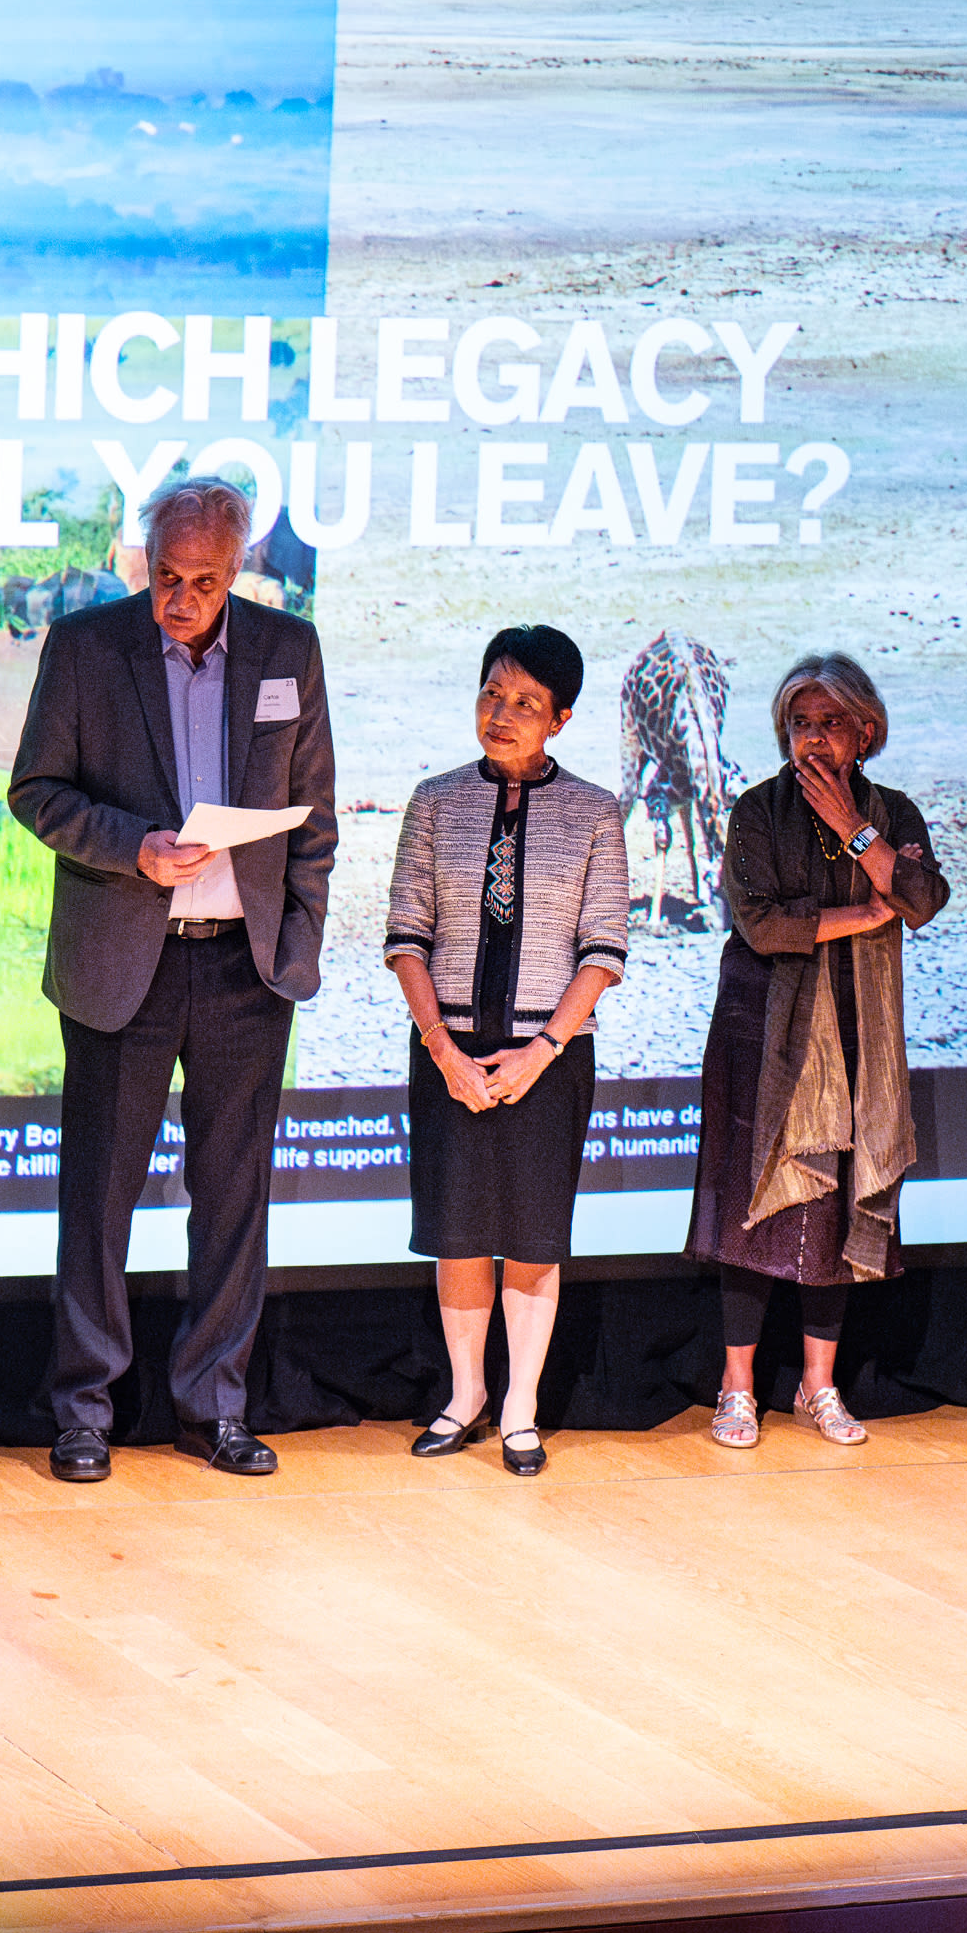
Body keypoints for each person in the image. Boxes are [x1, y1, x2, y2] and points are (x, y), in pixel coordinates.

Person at [9, 474, 337, 1482]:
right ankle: (82, 1413)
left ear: (236, 570)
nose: (180, 599)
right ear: (142, 560)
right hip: (124, 967)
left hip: (244, 971)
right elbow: (34, 792)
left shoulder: (287, 650)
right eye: (165, 576)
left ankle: (217, 1405)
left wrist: (296, 944)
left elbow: (314, 820)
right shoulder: (85, 647)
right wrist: (130, 846)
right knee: (98, 1197)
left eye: (202, 580)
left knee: (233, 1198)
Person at [685, 653, 948, 1449]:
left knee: (837, 1208)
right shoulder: (757, 811)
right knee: (753, 1207)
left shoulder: (891, 811)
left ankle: (817, 1385)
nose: (812, 739)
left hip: (862, 1035)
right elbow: (764, 924)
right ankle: (736, 1389)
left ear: (865, 731)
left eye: (830, 722)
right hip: (763, 1036)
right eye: (800, 723)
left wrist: (853, 831)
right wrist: (868, 914)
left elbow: (925, 898)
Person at [385, 627, 630, 1477]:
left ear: (560, 719)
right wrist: (444, 1050)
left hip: (549, 1058)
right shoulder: (434, 800)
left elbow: (604, 951)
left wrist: (541, 1050)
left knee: (532, 1236)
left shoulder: (595, 810)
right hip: (448, 1048)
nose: (503, 713)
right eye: (493, 693)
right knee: (459, 1234)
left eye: (526, 702)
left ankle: (521, 1403)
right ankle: (465, 1395)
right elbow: (405, 939)